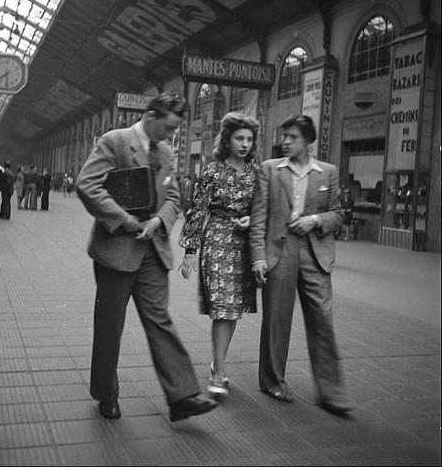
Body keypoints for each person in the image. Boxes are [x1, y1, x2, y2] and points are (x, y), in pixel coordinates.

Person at [76, 93, 218, 421]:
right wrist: (122, 219)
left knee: (160, 320)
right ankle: (106, 395)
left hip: (153, 249)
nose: (170, 136)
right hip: (117, 251)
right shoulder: (115, 141)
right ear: (151, 116)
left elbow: (172, 195)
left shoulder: (166, 151)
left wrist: (160, 220)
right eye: (167, 128)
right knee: (110, 325)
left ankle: (182, 396)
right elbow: (87, 185)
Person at [249, 114, 352, 416]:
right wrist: (258, 256)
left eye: (293, 137)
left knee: (322, 318)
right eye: (284, 136)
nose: (286, 142)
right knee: (277, 319)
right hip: (279, 251)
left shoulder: (328, 172)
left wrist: (315, 220)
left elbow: (337, 214)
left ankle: (332, 393)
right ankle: (272, 381)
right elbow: (258, 217)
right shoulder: (269, 170)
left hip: (314, 251)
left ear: (308, 140)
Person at [179, 112, 259, 398]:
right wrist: (190, 250)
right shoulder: (212, 171)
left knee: (233, 308)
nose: (245, 144)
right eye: (239, 138)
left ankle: (218, 361)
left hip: (243, 245)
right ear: (227, 139)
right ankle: (218, 371)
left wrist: (250, 220)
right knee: (221, 307)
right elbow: (197, 209)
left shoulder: (255, 172)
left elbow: (262, 209)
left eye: (249, 139)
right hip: (217, 241)